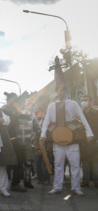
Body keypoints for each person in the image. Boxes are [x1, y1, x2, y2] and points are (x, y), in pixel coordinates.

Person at [40, 57, 94, 196]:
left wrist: (89, 133)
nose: (60, 92)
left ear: (65, 91)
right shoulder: (52, 106)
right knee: (58, 165)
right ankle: (57, 186)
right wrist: (43, 134)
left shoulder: (73, 104)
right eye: (58, 90)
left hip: (72, 138)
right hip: (57, 138)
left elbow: (82, 119)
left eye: (62, 90)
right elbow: (46, 121)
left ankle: (75, 187)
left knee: (75, 164)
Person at [1, 92, 28, 192]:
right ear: (9, 99)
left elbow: (19, 119)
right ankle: (12, 183)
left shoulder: (15, 109)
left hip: (15, 137)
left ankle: (14, 182)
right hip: (8, 138)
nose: (15, 101)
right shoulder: (3, 109)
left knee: (19, 160)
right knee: (13, 161)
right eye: (14, 99)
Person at [80, 95, 98, 187]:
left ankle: (96, 180)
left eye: (85, 100)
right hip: (84, 142)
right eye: (82, 100)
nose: (83, 102)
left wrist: (94, 137)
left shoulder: (96, 113)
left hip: (95, 141)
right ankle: (85, 180)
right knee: (85, 162)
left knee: (95, 162)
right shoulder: (80, 114)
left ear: (91, 102)